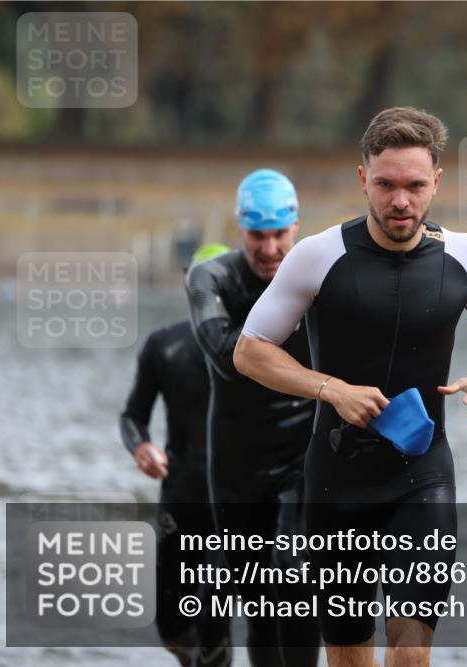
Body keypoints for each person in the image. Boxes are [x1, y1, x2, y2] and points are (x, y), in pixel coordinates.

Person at [233, 106, 467, 667]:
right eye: (386, 185)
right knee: (348, 652)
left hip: (423, 476)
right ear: (363, 179)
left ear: (436, 183)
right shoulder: (317, 256)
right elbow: (250, 351)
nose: (400, 202)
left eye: (415, 186)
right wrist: (330, 389)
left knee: (411, 649)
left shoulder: (465, 255)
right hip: (337, 478)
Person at [185, 170, 320, 667]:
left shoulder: (319, 276)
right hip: (238, 467)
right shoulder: (211, 277)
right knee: (258, 601)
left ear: (296, 227)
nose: (269, 248)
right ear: (239, 229)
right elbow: (227, 357)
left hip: (303, 458)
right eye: (257, 236)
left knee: (297, 575)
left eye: (279, 235)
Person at [120, 243, 233, 667]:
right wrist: (141, 446)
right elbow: (133, 415)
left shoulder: (259, 347)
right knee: (171, 626)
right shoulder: (163, 345)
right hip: (181, 497)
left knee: (210, 610)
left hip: (237, 500)